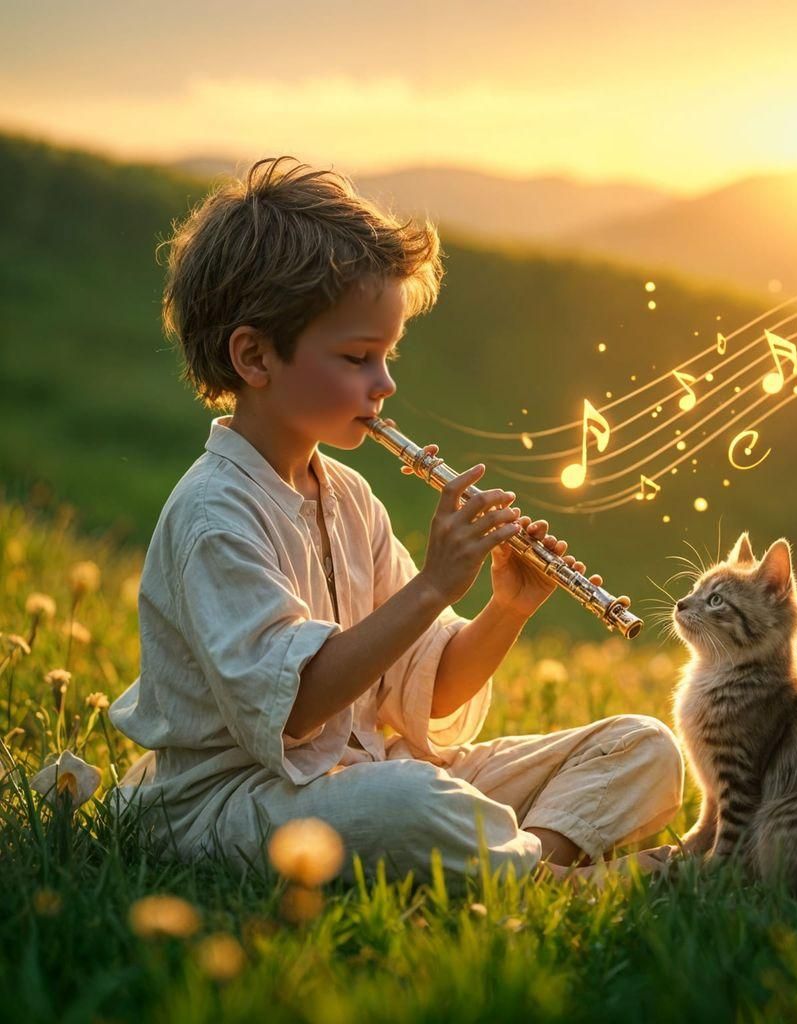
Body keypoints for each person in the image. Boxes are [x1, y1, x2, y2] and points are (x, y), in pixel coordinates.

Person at [108, 157, 684, 884]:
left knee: (643, 747)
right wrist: (435, 586)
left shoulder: (349, 497)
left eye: (387, 355)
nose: (385, 383)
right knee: (409, 801)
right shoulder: (213, 515)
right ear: (254, 356)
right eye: (358, 357)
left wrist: (505, 609)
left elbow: (427, 690)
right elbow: (298, 708)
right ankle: (550, 874)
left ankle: (534, 871)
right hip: (233, 805)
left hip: (363, 771)